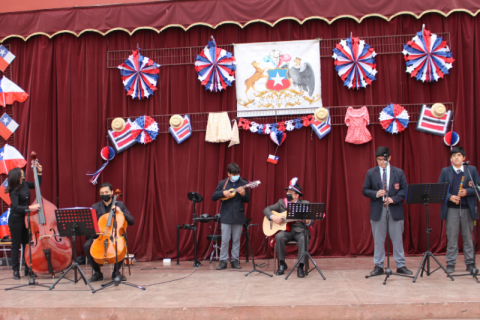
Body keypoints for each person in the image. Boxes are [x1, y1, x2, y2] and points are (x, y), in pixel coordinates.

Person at [362, 146, 412, 276]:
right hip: (378, 209)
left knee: (397, 239)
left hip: (394, 208)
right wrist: (376, 193)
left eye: (384, 159)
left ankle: (400, 265)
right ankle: (378, 265)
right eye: (378, 160)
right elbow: (365, 190)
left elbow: (404, 190)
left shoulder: (399, 172)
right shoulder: (371, 173)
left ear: (389, 158)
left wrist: (393, 199)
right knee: (378, 239)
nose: (381, 162)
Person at [438, 146, 480, 273]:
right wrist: (450, 197)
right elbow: (440, 189)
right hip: (452, 209)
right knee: (452, 238)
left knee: (468, 238)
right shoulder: (445, 171)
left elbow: (478, 187)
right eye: (454, 156)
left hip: (468, 209)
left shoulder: (471, 170)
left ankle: (470, 263)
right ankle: (450, 263)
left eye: (459, 155)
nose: (456, 158)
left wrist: (467, 191)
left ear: (464, 158)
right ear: (451, 158)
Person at [83, 182, 135, 282]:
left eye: (106, 192)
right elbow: (90, 226)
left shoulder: (120, 204)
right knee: (86, 246)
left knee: (121, 245)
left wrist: (121, 212)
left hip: (115, 235)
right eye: (102, 192)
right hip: (100, 236)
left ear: (111, 192)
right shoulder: (95, 206)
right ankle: (97, 273)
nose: (104, 194)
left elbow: (132, 221)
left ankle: (116, 272)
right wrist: (96, 231)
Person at [263, 178, 311, 278]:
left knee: (303, 239)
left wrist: (308, 221)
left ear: (297, 195)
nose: (288, 194)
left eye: (291, 193)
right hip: (286, 231)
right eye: (288, 192)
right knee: (279, 237)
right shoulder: (281, 202)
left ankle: (301, 266)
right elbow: (266, 209)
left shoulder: (305, 204)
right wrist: (273, 217)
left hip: (300, 231)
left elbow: (311, 221)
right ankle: (282, 264)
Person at [7, 162, 42, 280]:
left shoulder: (25, 184)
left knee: (27, 244)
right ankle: (16, 271)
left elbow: (38, 184)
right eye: (21, 171)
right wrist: (30, 208)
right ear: (17, 175)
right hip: (16, 219)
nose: (23, 172)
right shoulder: (14, 190)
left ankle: (28, 269)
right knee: (16, 245)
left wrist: (39, 172)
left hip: (27, 219)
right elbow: (15, 207)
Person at [212, 163, 250, 270]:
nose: (236, 175)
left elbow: (247, 199)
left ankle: (234, 260)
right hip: (226, 215)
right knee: (225, 239)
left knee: (236, 239)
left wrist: (243, 194)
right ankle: (223, 261)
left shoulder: (243, 183)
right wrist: (224, 193)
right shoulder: (223, 183)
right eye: (234, 174)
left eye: (237, 173)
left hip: (238, 214)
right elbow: (214, 196)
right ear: (228, 173)